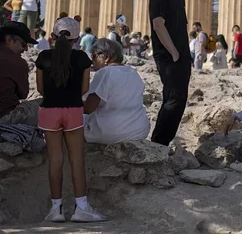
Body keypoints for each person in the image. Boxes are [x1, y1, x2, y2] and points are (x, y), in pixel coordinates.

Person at [36, 17, 105, 222]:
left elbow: (40, 89)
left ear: (54, 37)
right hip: (74, 109)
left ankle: (56, 209)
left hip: (49, 110)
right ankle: (81, 207)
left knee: (55, 159)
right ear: (76, 38)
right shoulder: (82, 58)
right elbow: (84, 89)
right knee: (76, 159)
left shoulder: (43, 57)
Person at [148, 0, 191, 147]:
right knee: (174, 98)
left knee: (178, 99)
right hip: (169, 55)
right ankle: (158, 143)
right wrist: (173, 52)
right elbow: (158, 25)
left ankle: (162, 143)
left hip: (181, 55)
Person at [83, 38, 150, 144]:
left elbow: (88, 108)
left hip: (112, 133)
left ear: (106, 57)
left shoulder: (105, 72)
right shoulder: (133, 72)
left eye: (94, 57)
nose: (93, 62)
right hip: (139, 131)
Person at [0, 21, 38, 125]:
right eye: (24, 44)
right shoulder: (17, 62)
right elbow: (23, 94)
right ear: (9, 40)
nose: (26, 49)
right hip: (5, 118)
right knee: (47, 105)